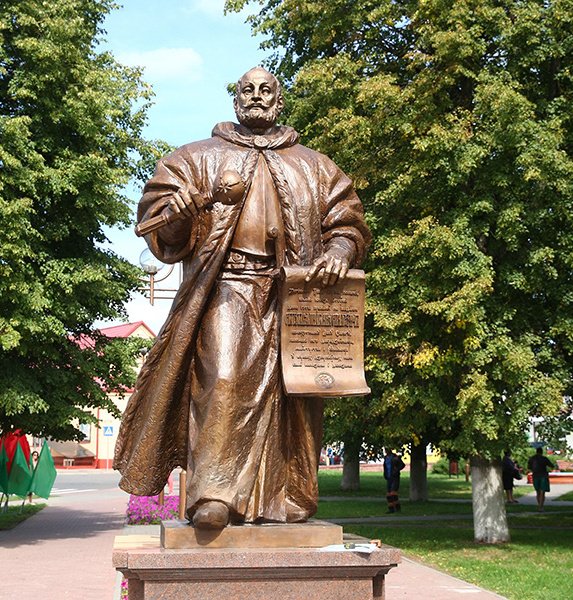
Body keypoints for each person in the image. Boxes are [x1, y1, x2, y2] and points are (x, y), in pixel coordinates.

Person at [115, 66, 371, 530]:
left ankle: (284, 499)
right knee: (223, 378)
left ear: (279, 101)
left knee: (293, 394)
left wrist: (339, 251)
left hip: (294, 292)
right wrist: (179, 214)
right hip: (228, 284)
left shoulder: (315, 165)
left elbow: (347, 221)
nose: (256, 96)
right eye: (246, 90)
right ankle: (211, 495)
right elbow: (162, 231)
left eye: (265, 90)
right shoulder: (195, 157)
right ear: (235, 102)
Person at [527, 447, 555, 512]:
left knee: (538, 492)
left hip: (535, 476)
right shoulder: (544, 458)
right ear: (542, 452)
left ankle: (540, 505)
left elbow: (528, 467)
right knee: (542, 493)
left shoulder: (532, 459)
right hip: (543, 476)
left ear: (536, 451)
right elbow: (552, 465)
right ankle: (540, 507)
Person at [383, 448, 405, 513]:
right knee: (389, 495)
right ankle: (391, 509)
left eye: (387, 450)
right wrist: (385, 474)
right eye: (385, 450)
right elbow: (385, 467)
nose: (386, 451)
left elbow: (402, 465)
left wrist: (396, 470)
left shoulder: (395, 457)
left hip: (395, 477)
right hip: (389, 477)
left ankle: (398, 508)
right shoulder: (385, 458)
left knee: (393, 494)